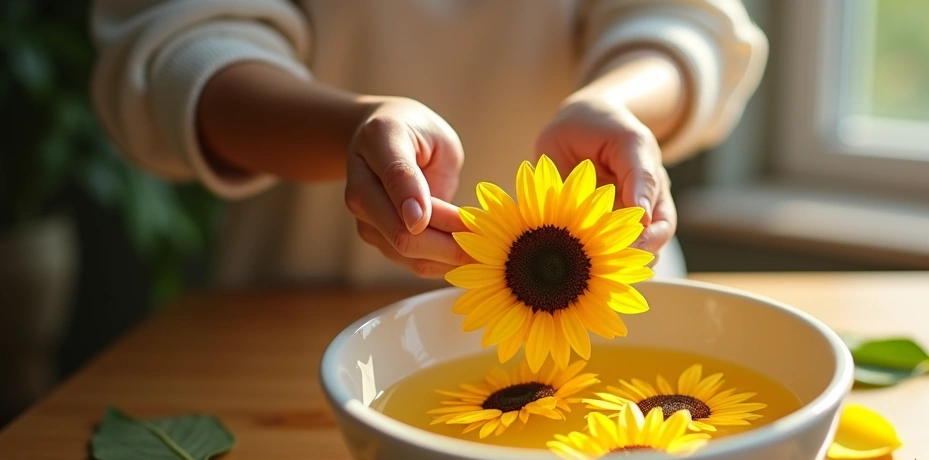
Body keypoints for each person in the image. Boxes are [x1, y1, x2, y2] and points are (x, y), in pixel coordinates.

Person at [91, 1, 767, 286]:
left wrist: (615, 105)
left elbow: (683, 19)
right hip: (299, 319)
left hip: (604, 327)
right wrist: (349, 130)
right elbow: (180, 44)